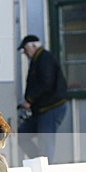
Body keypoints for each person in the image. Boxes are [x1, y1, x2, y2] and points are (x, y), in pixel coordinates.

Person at [17, 34, 68, 163]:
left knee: (46, 144)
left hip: (51, 108)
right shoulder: (39, 59)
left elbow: (46, 83)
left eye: (25, 49)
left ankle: (46, 170)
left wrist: (30, 100)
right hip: (41, 110)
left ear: (33, 46)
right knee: (22, 135)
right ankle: (39, 163)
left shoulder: (44, 58)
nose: (25, 53)